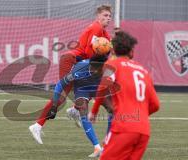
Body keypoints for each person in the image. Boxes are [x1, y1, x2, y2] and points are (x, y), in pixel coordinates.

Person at [29, 4, 113, 145]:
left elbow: (103, 53)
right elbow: (88, 52)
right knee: (62, 96)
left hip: (80, 62)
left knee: (94, 84)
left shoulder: (105, 34)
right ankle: (37, 125)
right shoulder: (96, 28)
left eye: (110, 16)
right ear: (98, 16)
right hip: (70, 61)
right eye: (105, 15)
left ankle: (74, 110)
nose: (108, 18)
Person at [89, 31, 160, 160]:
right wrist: (141, 117)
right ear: (131, 51)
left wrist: (93, 112)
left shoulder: (112, 64)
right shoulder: (143, 71)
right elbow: (155, 105)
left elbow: (102, 88)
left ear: (113, 50)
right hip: (143, 131)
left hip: (124, 127)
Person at [46, 54, 114, 158]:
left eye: (99, 70)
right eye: (94, 69)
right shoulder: (78, 70)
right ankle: (97, 147)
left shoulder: (108, 70)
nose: (96, 72)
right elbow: (60, 84)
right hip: (82, 89)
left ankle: (108, 144)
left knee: (112, 109)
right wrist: (54, 106)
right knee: (83, 110)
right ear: (90, 66)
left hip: (98, 88)